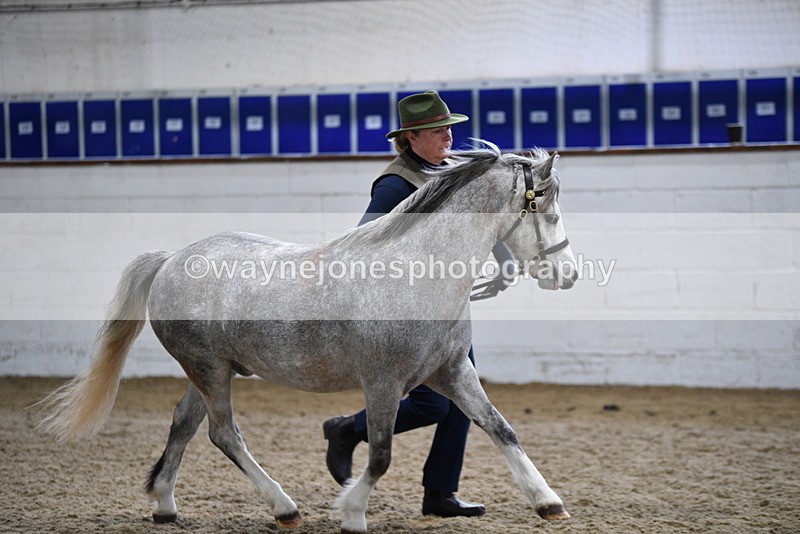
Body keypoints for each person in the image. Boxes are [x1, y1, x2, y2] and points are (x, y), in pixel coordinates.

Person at [322, 90, 514, 518]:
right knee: (435, 404)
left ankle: (440, 493)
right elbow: (362, 242)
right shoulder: (395, 184)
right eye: (437, 129)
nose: (449, 135)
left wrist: (504, 257)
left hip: (446, 312)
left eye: (449, 127)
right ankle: (348, 430)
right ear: (410, 138)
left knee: (465, 399)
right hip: (405, 316)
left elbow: (481, 222)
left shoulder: (451, 170)